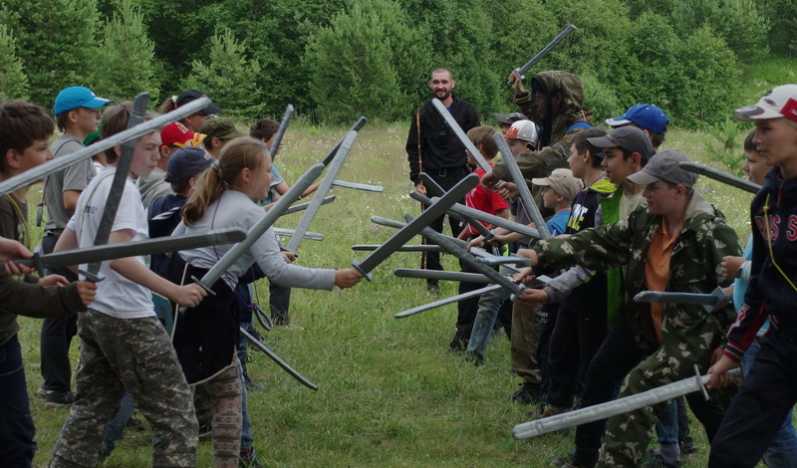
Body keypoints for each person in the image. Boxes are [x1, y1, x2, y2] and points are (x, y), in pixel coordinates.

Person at [518, 150, 740, 468]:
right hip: (641, 323)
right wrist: (542, 256)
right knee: (600, 375)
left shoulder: (711, 232)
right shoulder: (645, 220)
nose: (645, 194)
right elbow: (601, 241)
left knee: (698, 402)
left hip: (690, 335)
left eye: (653, 188)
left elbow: (739, 293)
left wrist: (729, 345)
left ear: (679, 189)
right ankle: (586, 459)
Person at [170, 136, 362, 466]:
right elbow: (277, 272)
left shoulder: (211, 197)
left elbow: (179, 247)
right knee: (223, 389)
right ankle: (234, 459)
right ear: (246, 175)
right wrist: (335, 277)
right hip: (208, 303)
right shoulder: (247, 211)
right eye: (268, 171)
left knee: (203, 381)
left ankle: (232, 454)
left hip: (182, 295)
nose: (271, 180)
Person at [49, 102, 208, 468]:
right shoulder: (124, 191)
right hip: (128, 318)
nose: (156, 157)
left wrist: (94, 281)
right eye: (149, 148)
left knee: (90, 412)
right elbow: (119, 256)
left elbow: (63, 252)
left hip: (96, 313)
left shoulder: (94, 185)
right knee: (177, 419)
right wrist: (174, 291)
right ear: (121, 147)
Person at [0, 100, 97, 467]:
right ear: (13, 156)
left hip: (4, 336)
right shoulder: (3, 205)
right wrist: (66, 298)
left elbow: (6, 272)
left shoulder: (14, 197)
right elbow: (3, 292)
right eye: (41, 149)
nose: (48, 156)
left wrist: (37, 280)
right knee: (16, 444)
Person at [708, 84, 797, 468]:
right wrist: (734, 350)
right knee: (730, 448)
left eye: (766, 129)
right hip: (784, 339)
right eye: (756, 130)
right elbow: (761, 282)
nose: (757, 141)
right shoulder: (767, 202)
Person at [39, 85, 109, 406]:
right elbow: (71, 200)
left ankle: (53, 384)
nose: (98, 114)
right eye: (92, 109)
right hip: (69, 239)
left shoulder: (58, 146)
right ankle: (56, 386)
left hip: (53, 239)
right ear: (73, 115)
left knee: (59, 316)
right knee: (64, 316)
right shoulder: (78, 152)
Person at [540, 128, 615, 420]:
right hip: (571, 285)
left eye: (572, 152)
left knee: (589, 355)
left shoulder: (603, 197)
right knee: (560, 347)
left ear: (585, 155)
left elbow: (593, 248)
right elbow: (570, 241)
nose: (569, 157)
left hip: (593, 287)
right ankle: (557, 404)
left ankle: (587, 415)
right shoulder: (583, 194)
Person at [406, 67, 479, 293]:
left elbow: (477, 144)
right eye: (436, 82)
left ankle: (470, 272)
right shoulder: (422, 113)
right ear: (430, 85)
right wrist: (418, 178)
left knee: (464, 228)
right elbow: (414, 147)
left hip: (460, 177)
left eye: (444, 82)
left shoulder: (467, 111)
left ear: (452, 84)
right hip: (432, 177)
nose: (440, 86)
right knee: (431, 230)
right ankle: (432, 280)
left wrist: (474, 176)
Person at [451, 126, 510, 358]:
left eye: (469, 145)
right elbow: (475, 216)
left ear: (481, 148)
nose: (465, 150)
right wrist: (460, 237)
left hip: (488, 246)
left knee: (473, 291)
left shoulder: (491, 177)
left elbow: (504, 218)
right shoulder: (474, 176)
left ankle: (463, 338)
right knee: (476, 290)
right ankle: (487, 329)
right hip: (473, 244)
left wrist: (484, 238)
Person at [138, 121, 205, 208]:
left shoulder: (144, 174)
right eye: (188, 148)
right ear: (165, 151)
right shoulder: (169, 191)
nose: (194, 152)